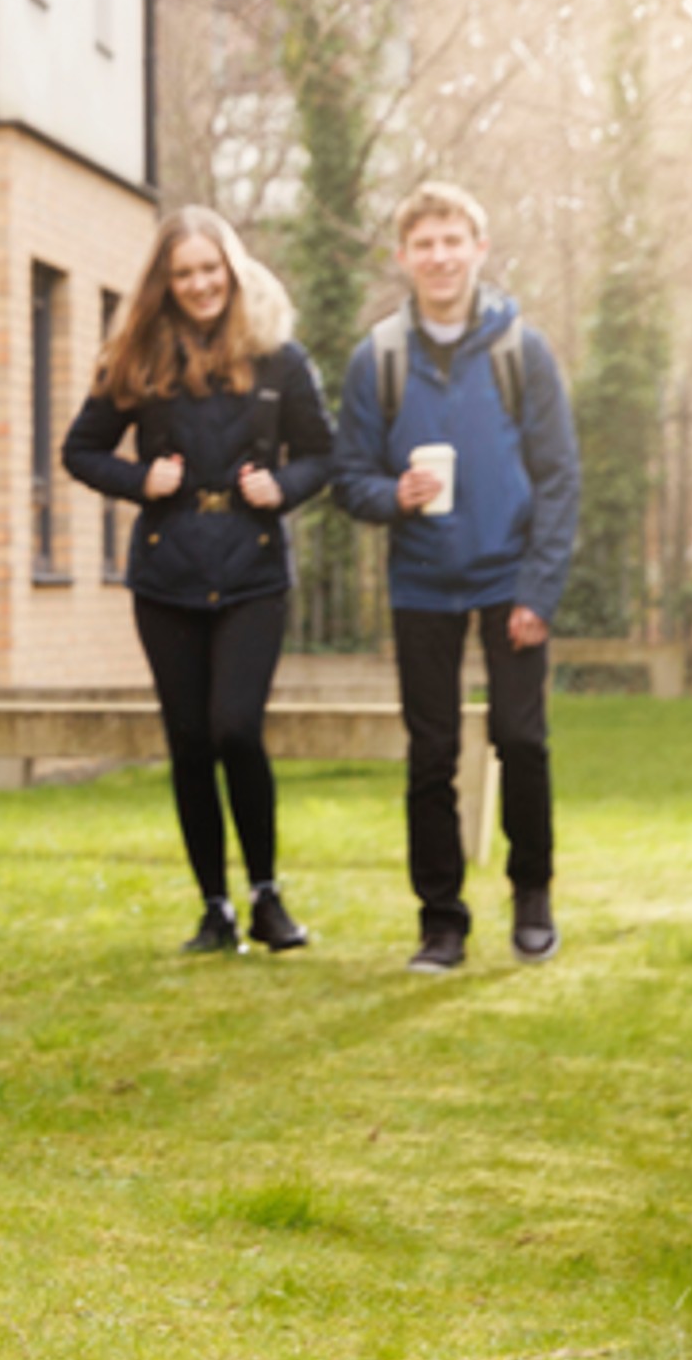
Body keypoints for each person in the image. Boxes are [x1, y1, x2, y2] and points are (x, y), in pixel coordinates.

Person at [61, 207, 337, 957]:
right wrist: (140, 478)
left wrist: (283, 487)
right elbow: (80, 451)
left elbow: (322, 454)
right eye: (183, 273)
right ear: (165, 282)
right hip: (167, 571)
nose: (199, 284)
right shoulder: (138, 361)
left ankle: (266, 897)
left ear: (232, 269)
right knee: (188, 740)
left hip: (251, 570)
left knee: (235, 729)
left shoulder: (281, 357)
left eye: (210, 269)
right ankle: (214, 910)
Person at [329, 180, 582, 971]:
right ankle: (441, 922)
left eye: (452, 241)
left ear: (479, 249)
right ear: (403, 257)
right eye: (424, 244)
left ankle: (532, 898)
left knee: (521, 739)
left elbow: (559, 477)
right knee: (431, 752)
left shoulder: (522, 351)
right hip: (422, 583)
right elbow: (348, 476)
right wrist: (391, 495)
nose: (439, 257)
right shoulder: (379, 358)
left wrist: (538, 590)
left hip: (510, 578)